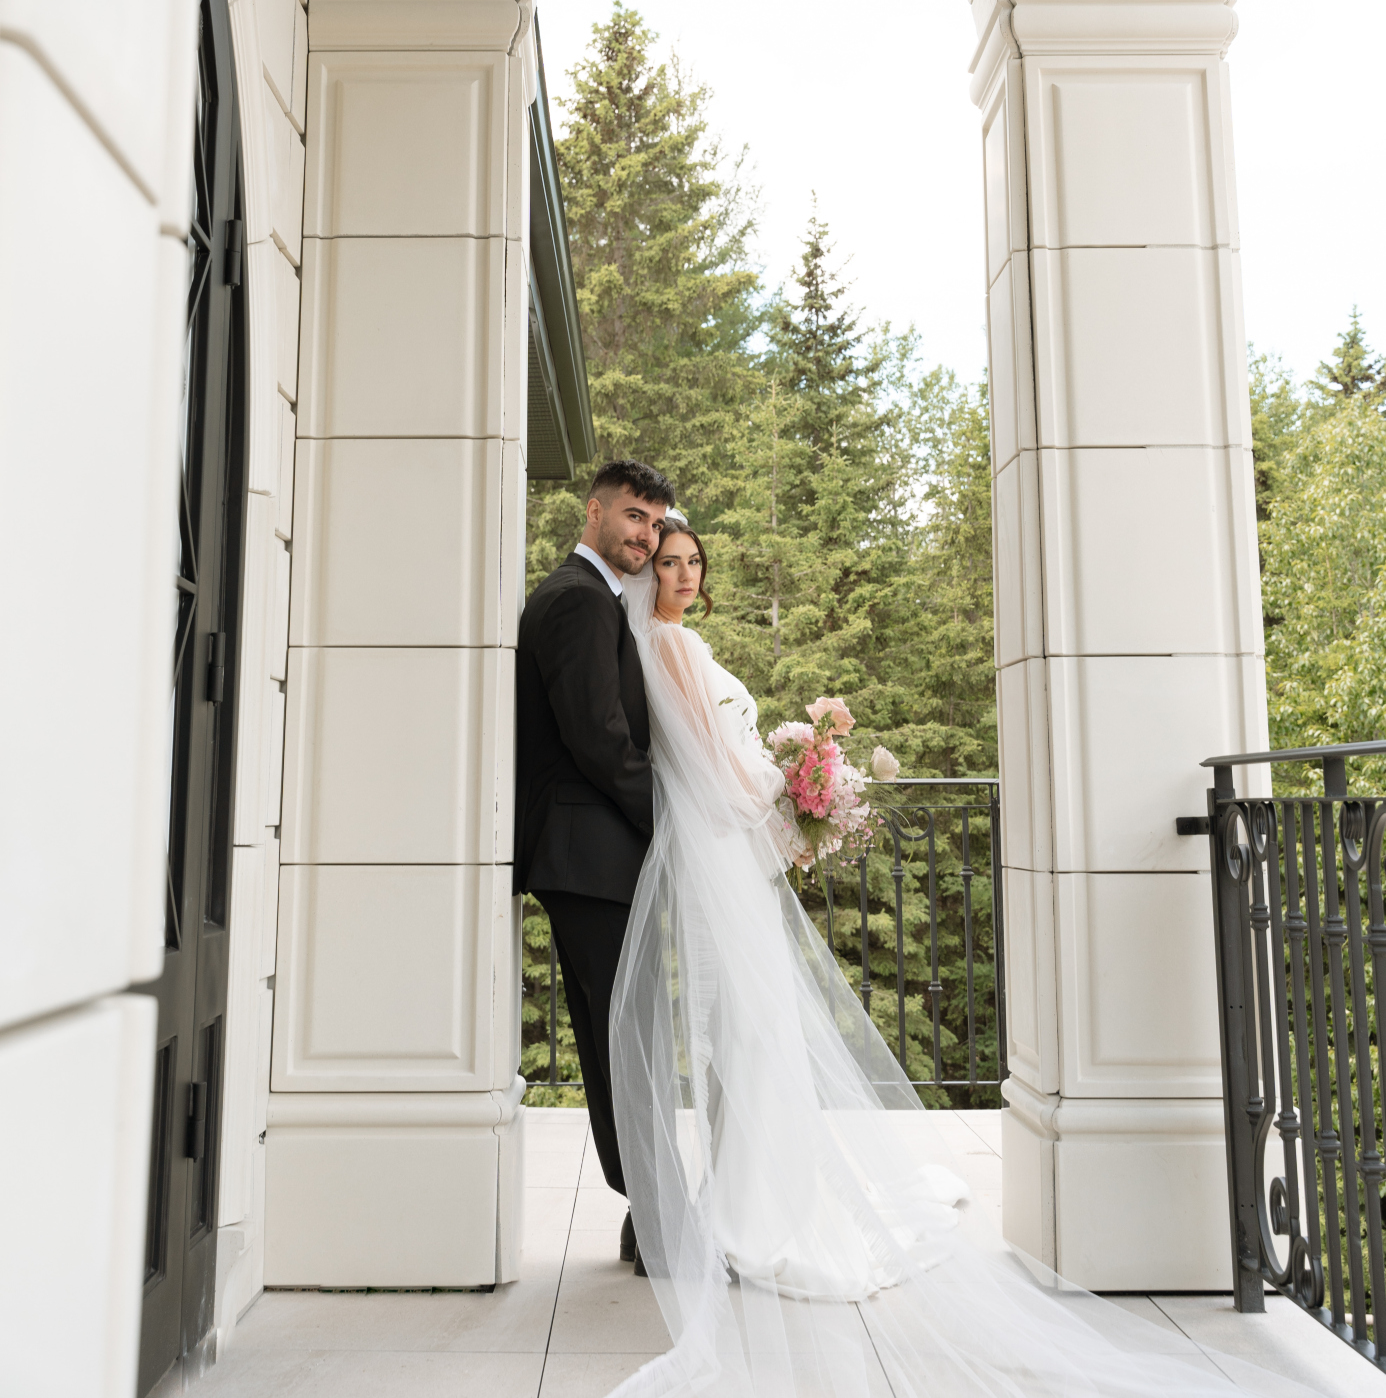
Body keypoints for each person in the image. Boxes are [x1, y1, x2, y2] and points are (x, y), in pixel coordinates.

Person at [603, 515, 1320, 1398]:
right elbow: (711, 756)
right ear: (653, 575)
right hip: (722, 843)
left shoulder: (685, 637)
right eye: (668, 561)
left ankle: (754, 1198)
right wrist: (785, 787)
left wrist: (789, 787)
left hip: (730, 846)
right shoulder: (672, 647)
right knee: (751, 1027)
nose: (680, 571)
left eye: (691, 560)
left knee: (758, 1027)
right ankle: (754, 1210)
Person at [514, 458, 675, 1267]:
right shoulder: (577, 601)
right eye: (634, 516)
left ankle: (647, 1219)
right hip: (588, 855)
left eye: (656, 521)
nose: (646, 533)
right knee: (632, 1042)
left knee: (625, 1041)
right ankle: (661, 1225)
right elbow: (601, 741)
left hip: (592, 858)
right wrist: (674, 825)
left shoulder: (593, 600)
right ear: (595, 511)